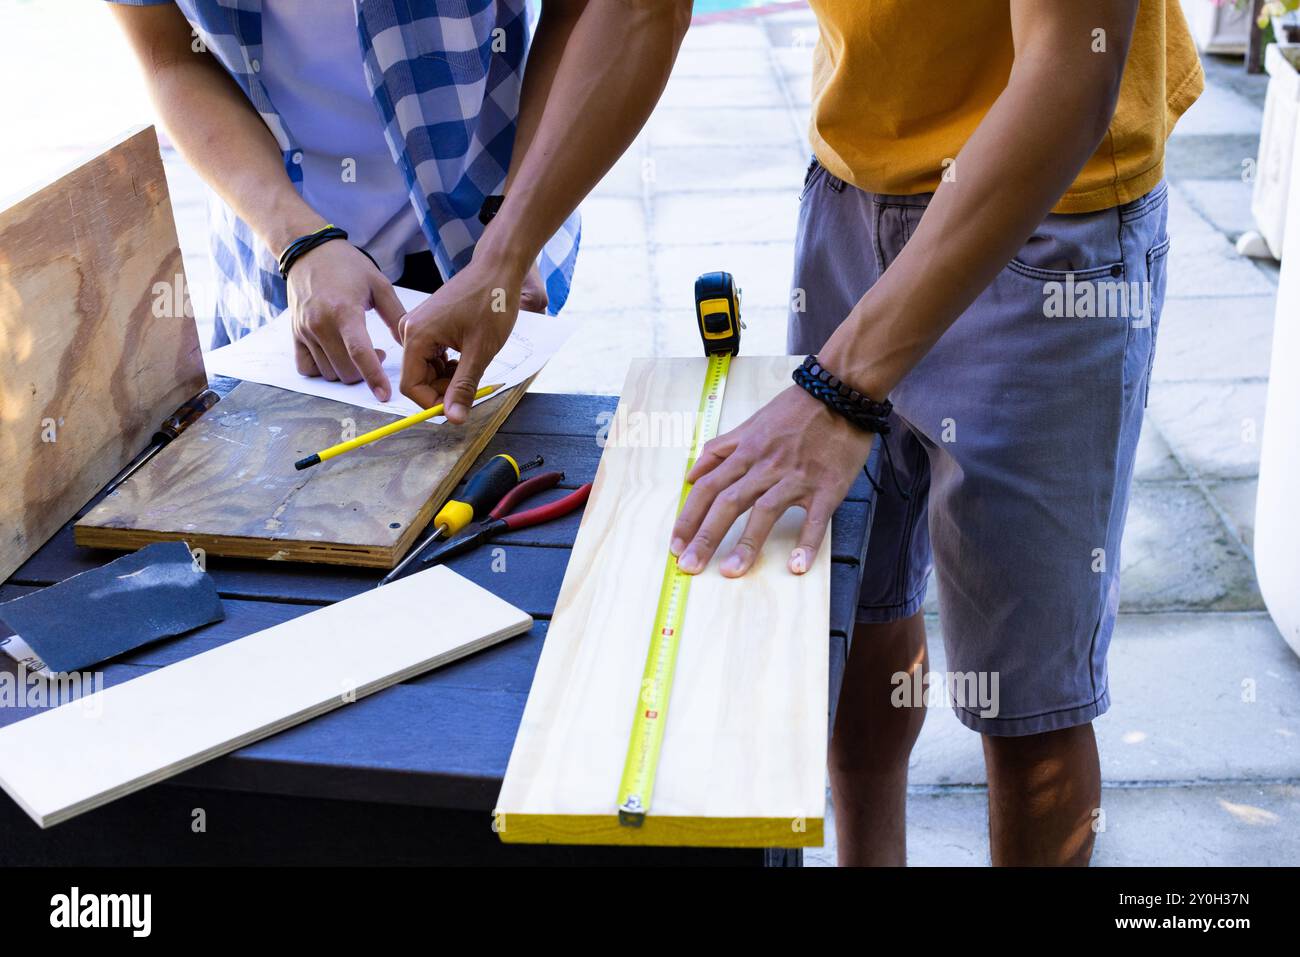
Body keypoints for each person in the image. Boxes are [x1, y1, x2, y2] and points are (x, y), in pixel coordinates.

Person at [406, 0, 1202, 866]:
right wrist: (500, 259)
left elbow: (1069, 72)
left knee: (1028, 702)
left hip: (1050, 214)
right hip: (855, 179)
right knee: (855, 609)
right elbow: (641, 10)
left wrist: (837, 389)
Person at [107, 0, 583, 407]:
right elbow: (169, 54)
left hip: (480, 222)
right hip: (279, 253)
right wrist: (298, 239)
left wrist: (514, 234)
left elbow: (581, 15)